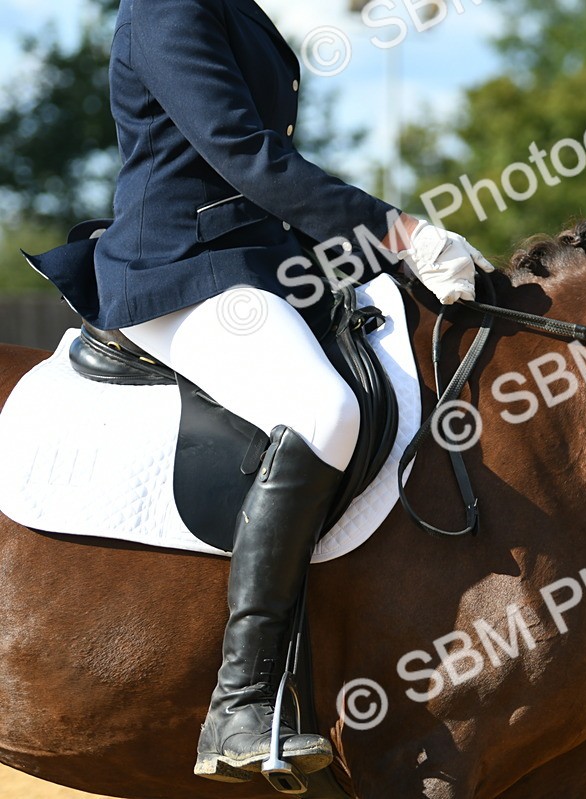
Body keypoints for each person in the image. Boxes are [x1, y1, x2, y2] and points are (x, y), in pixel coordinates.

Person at [32, 0, 493, 783]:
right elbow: (243, 154)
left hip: (262, 265)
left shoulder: (235, 10)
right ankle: (242, 703)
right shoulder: (166, 9)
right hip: (180, 268)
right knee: (323, 410)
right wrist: (395, 231)